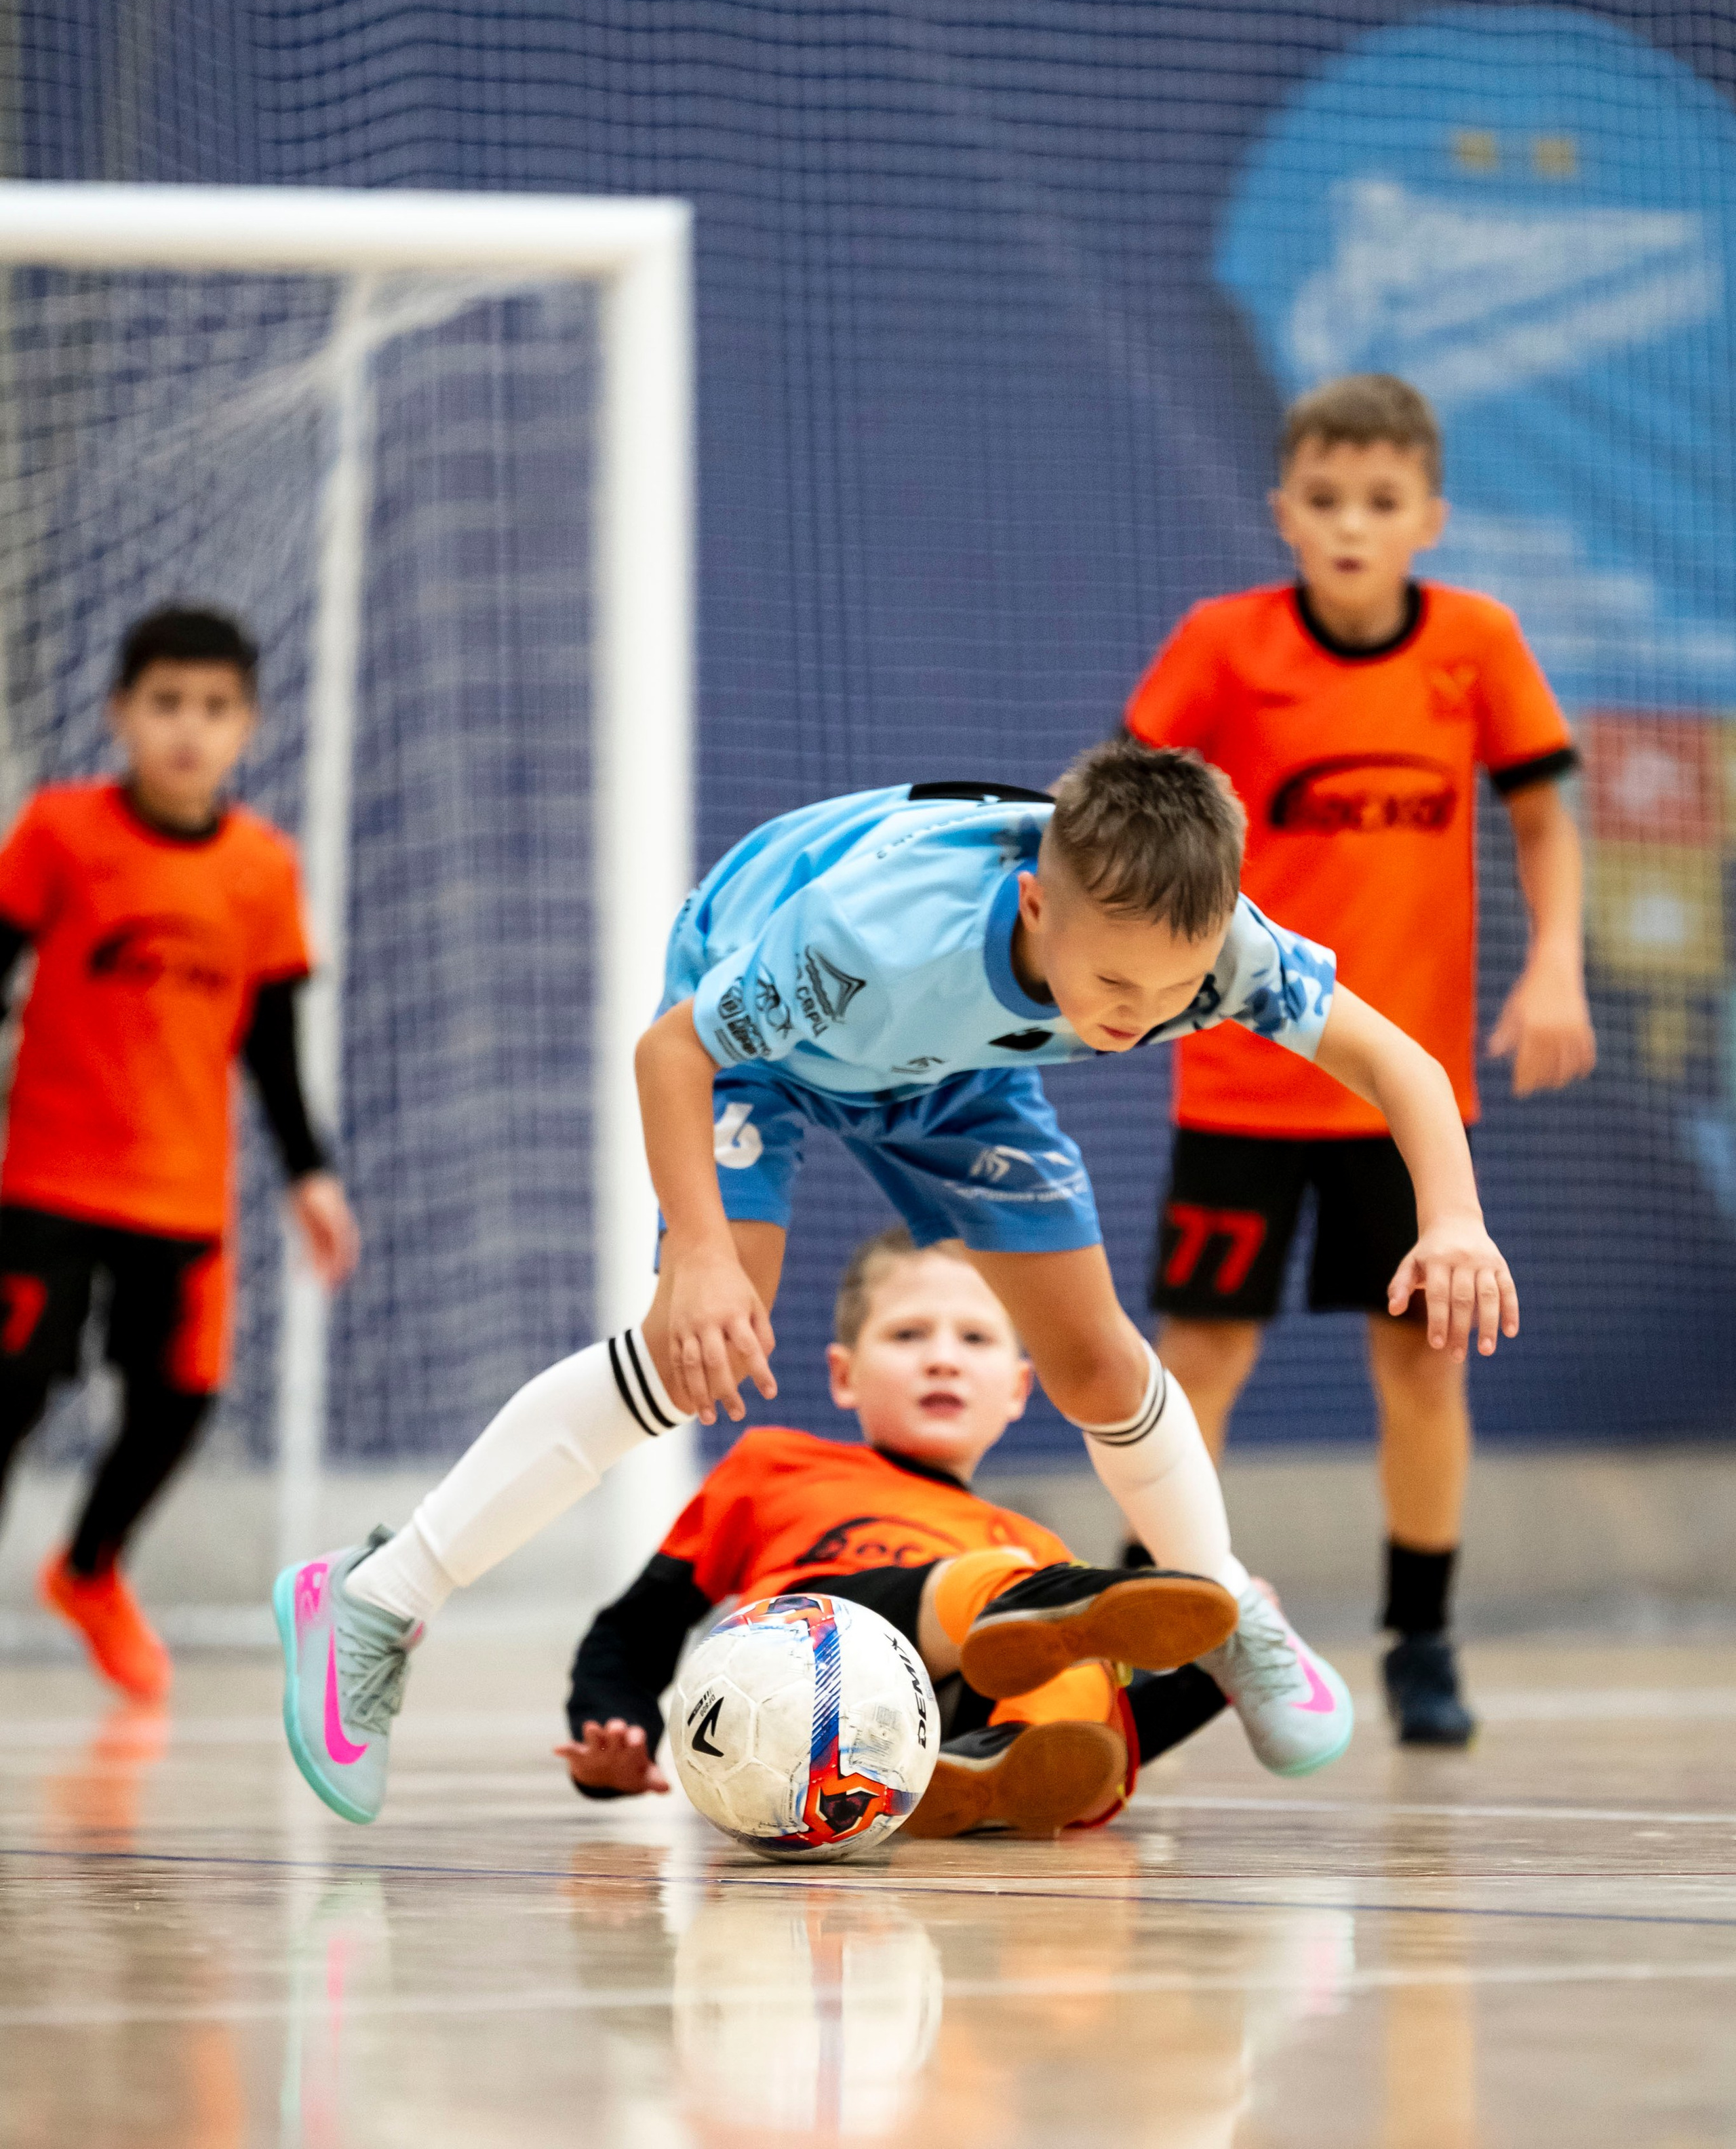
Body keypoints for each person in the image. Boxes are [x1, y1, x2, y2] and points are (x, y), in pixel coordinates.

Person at [279, 739, 1520, 1824]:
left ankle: (1225, 1603)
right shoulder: (874, 938)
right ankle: (375, 1599)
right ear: (1036, 906)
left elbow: (1398, 1060)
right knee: (688, 1352)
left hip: (955, 1066)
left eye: (1171, 996)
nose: (1140, 1024)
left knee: (1094, 1364)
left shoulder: (1206, 950)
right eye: (1114, 992)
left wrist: (1453, 1219)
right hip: (779, 1039)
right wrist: (703, 1254)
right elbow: (676, 1051)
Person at [1123, 374, 1593, 1746]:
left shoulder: (1474, 642)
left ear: (1425, 519)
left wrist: (1553, 957)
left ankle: (1420, 1637)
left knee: (1422, 1370)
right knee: (1190, 1360)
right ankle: (1140, 1623)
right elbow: (1124, 803)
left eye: (1378, 503)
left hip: (1404, 1100)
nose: (1348, 526)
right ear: (1281, 512)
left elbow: (1545, 815)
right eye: (1322, 501)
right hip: (1240, 1084)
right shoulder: (1222, 645)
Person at [559, 1225, 1240, 1838]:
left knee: (1077, 1662)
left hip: (940, 1728)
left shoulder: (1034, 1544)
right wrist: (616, 1729)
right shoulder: (773, 1467)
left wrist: (1216, 1667)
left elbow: (1114, 1733)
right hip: (796, 1679)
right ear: (843, 1375)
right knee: (1014, 1587)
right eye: (908, 1334)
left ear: (1019, 1389)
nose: (942, 1358)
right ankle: (1000, 1696)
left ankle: (999, 1771)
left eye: (974, 1338)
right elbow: (633, 1629)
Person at [0, 606, 358, 1701]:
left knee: (180, 1401)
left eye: (212, 709)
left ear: (247, 725)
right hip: (49, 1181)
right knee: (11, 1392)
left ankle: (91, 1569)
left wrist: (311, 1175)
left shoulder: (262, 869)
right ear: (120, 714)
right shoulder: (60, 833)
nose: (187, 730)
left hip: (181, 1194)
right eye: (165, 705)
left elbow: (274, 1043)